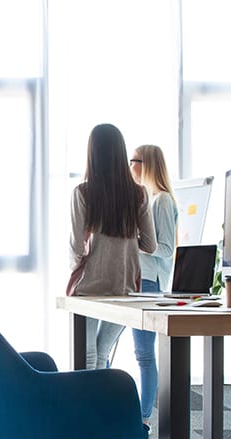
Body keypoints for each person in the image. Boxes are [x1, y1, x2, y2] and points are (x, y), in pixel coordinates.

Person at [68, 123, 156, 372]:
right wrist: (125, 242)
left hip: (90, 287)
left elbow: (76, 247)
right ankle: (99, 398)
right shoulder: (139, 194)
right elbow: (150, 244)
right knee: (103, 351)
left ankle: (87, 398)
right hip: (124, 287)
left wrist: (83, 261)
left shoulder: (82, 192)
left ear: (92, 154)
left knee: (87, 355)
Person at [129, 144, 179, 425]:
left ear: (145, 164)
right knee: (105, 347)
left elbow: (167, 248)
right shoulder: (145, 199)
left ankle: (143, 417)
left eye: (133, 161)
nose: (129, 166)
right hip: (134, 281)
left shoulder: (162, 201)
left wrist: (134, 242)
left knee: (145, 354)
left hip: (149, 283)